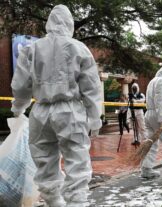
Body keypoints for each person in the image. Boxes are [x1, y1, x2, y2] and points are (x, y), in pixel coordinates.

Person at [11, 5, 102, 207]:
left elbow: (20, 84)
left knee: (44, 160)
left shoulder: (32, 49)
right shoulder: (79, 48)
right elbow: (91, 87)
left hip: (40, 111)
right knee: (76, 158)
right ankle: (76, 202)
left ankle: (54, 202)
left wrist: (18, 107)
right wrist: (95, 117)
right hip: (70, 112)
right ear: (69, 23)